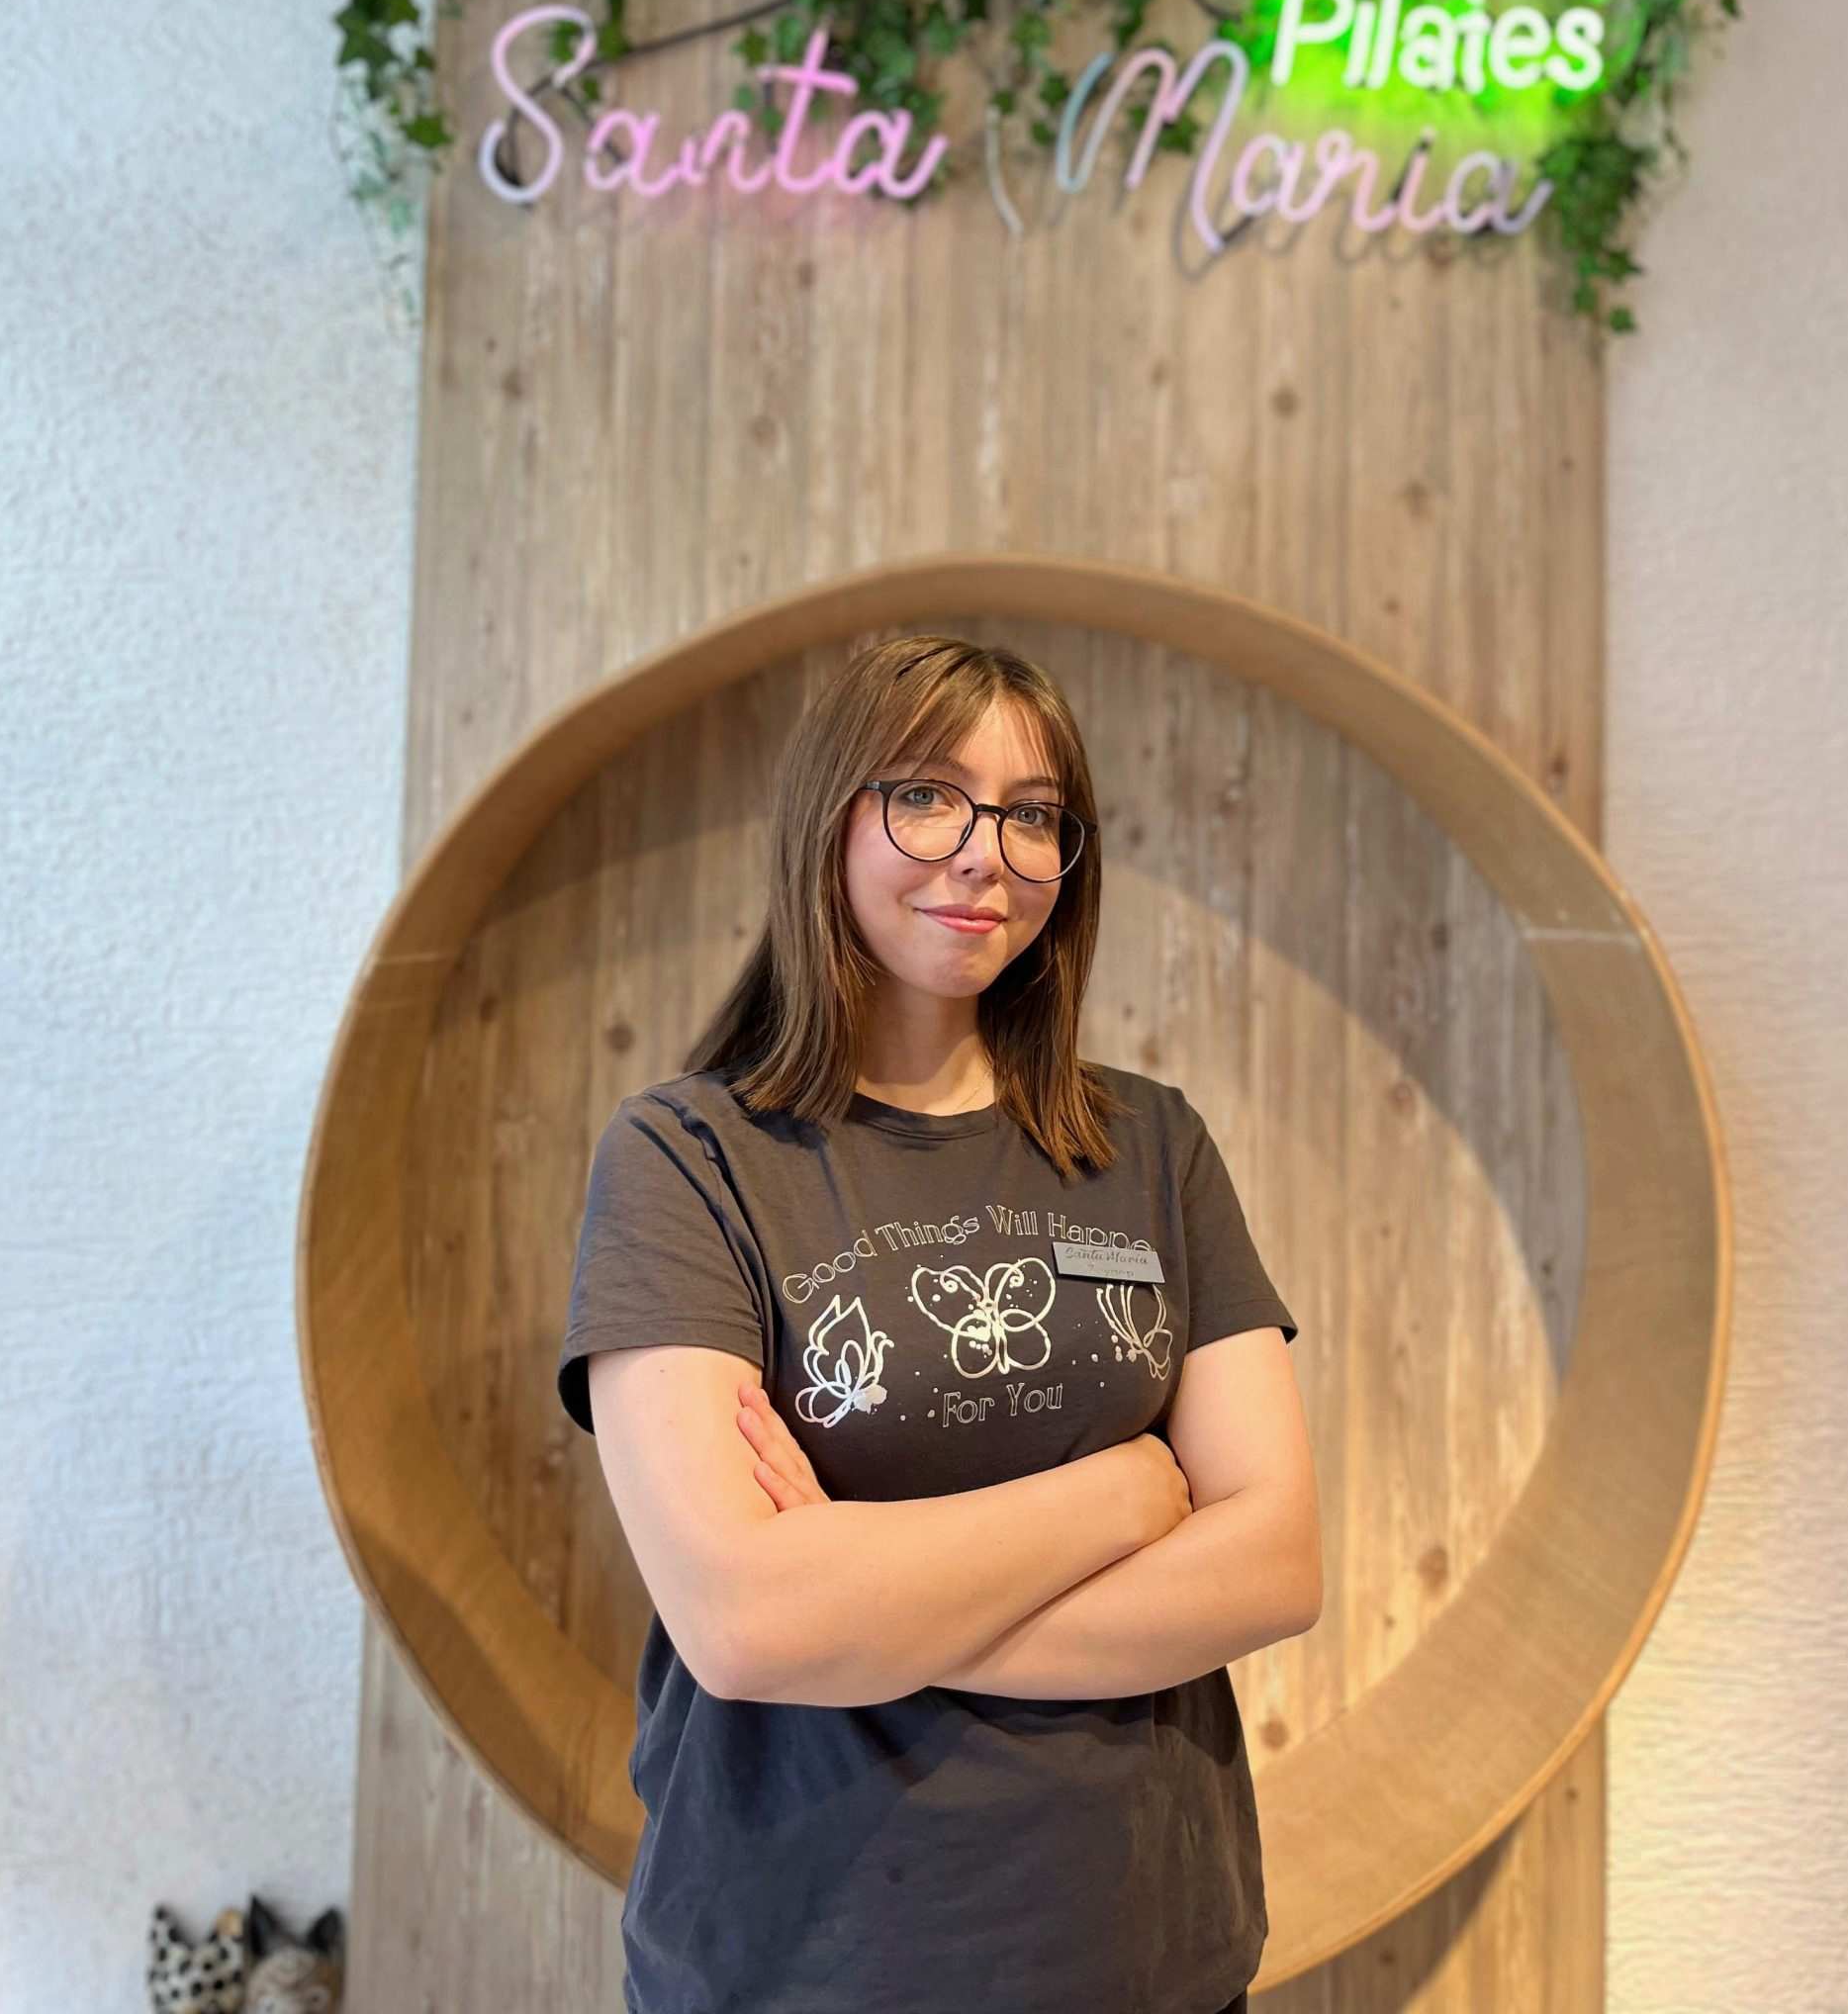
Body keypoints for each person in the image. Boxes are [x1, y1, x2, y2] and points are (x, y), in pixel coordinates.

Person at [557, 631, 1322, 2014]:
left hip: (1149, 1960)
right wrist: (1121, 1494)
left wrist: (864, 1613)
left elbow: (1274, 1567)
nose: (986, 856)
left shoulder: (1153, 1146)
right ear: (828, 819)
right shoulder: (689, 1156)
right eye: (926, 796)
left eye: (1032, 815)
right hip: (802, 1967)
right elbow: (743, 1625)